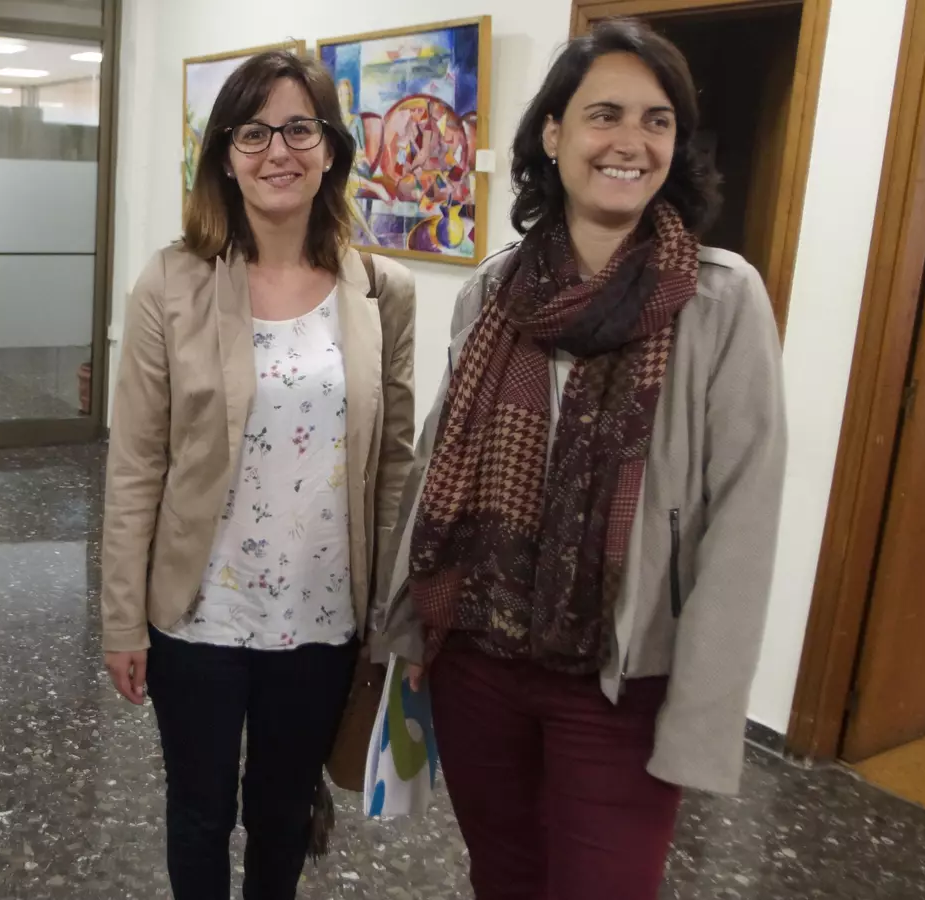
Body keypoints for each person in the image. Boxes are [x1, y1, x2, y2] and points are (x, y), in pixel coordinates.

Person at [374, 19, 786, 900]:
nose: (631, 142)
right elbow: (441, 461)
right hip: (479, 660)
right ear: (554, 135)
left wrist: (701, 714)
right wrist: (413, 627)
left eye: (657, 120)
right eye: (606, 114)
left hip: (619, 682)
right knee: (504, 876)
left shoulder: (720, 301)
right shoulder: (495, 290)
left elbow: (743, 527)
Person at [102, 50, 416, 900]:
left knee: (283, 814)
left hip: (323, 616)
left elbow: (394, 466)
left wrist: (391, 621)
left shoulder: (380, 290)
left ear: (331, 148)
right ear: (225, 155)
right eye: (253, 132)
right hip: (199, 613)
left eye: (299, 128)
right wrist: (122, 619)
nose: (278, 151)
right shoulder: (173, 282)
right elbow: (136, 465)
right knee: (199, 813)